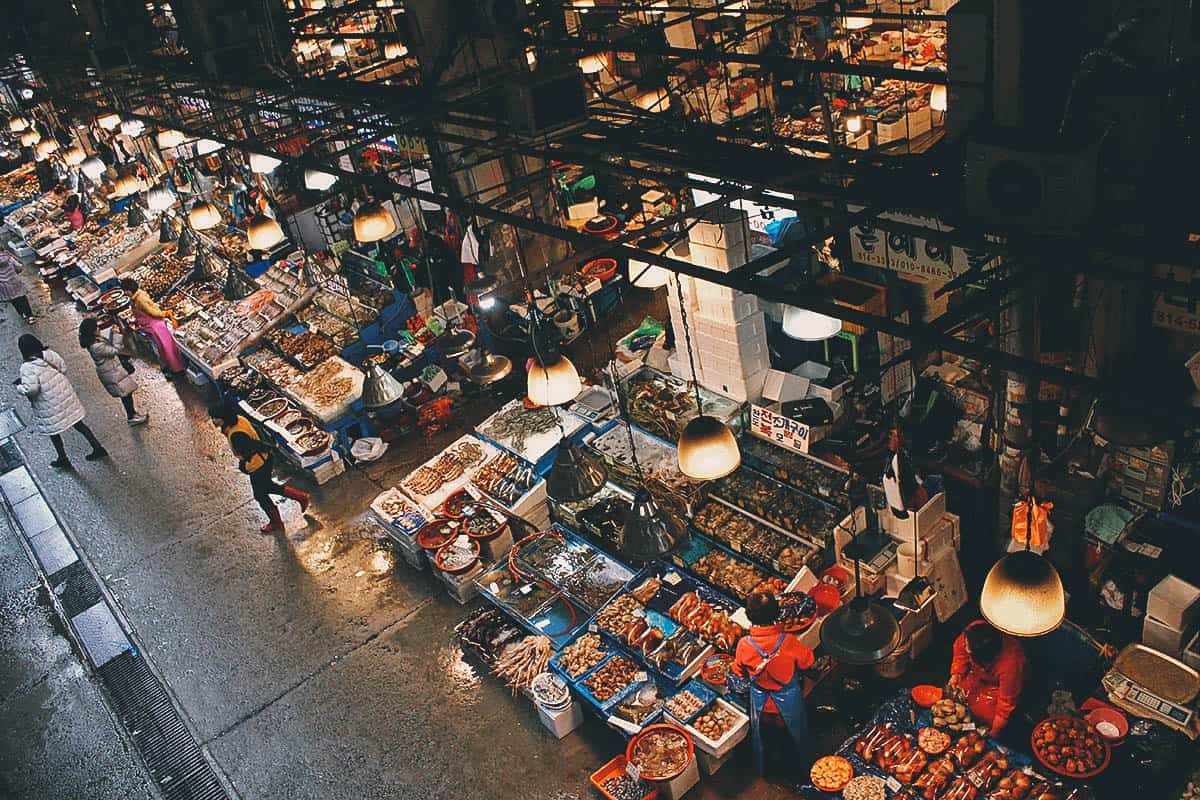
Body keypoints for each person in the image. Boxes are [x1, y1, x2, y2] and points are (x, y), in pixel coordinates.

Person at [733, 591, 815, 781]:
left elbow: (738, 670)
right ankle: (799, 772)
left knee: (765, 740)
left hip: (761, 704)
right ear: (777, 613)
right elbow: (807, 662)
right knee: (794, 738)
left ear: (748, 616)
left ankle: (767, 771)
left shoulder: (744, 644)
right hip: (787, 700)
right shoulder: (788, 641)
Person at [209, 403, 310, 534]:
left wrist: (243, 464)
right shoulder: (239, 419)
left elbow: (254, 447)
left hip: (258, 465)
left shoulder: (236, 434)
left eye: (215, 418)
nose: (213, 421)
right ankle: (301, 497)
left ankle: (277, 522)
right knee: (268, 487)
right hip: (265, 460)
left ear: (223, 418)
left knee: (261, 495)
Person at [15, 334, 107, 468]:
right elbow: (63, 368)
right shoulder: (49, 354)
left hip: (48, 403)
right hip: (64, 395)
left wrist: (19, 387)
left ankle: (63, 458)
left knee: (54, 432)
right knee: (78, 424)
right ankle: (97, 447)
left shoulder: (26, 368)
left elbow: (32, 389)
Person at [949, 620, 1026, 737]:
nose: (965, 646)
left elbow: (1005, 703)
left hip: (997, 684)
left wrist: (994, 733)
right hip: (976, 673)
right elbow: (961, 652)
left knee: (984, 714)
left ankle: (975, 728)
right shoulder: (973, 633)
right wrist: (957, 673)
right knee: (956, 696)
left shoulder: (1011, 666)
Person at [78, 318, 148, 425]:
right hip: (112, 372)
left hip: (113, 370)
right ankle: (132, 417)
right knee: (125, 394)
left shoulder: (94, 341)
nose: (98, 328)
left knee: (126, 394)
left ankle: (133, 414)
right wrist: (116, 335)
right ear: (92, 331)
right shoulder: (96, 346)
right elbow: (115, 350)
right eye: (96, 327)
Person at [118, 278, 186, 376]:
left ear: (129, 290)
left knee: (167, 348)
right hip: (151, 326)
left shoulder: (140, 300)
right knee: (163, 348)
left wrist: (165, 314)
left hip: (156, 327)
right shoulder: (137, 296)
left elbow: (154, 312)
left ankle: (178, 369)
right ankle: (173, 367)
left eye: (125, 291)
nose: (125, 293)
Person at [0, 249, 34, 324]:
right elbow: (19, 267)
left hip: (4, 286)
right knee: (23, 298)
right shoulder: (9, 258)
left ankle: (22, 314)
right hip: (15, 281)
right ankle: (30, 316)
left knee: (14, 301)